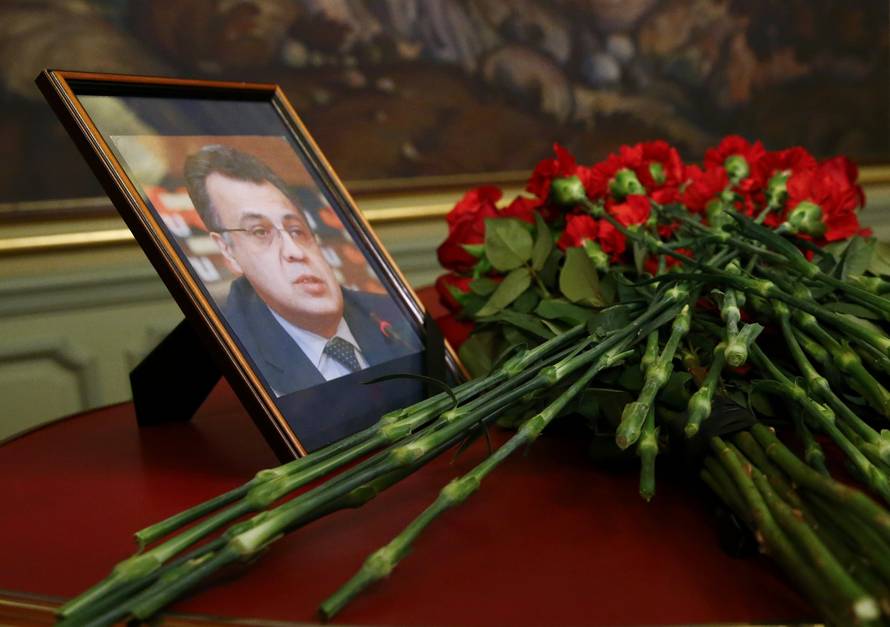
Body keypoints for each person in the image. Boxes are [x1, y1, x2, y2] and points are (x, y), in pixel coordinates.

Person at [183, 144, 419, 397]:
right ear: (228, 250)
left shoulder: (397, 316)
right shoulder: (238, 354)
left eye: (296, 230)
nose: (295, 251)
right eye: (260, 232)